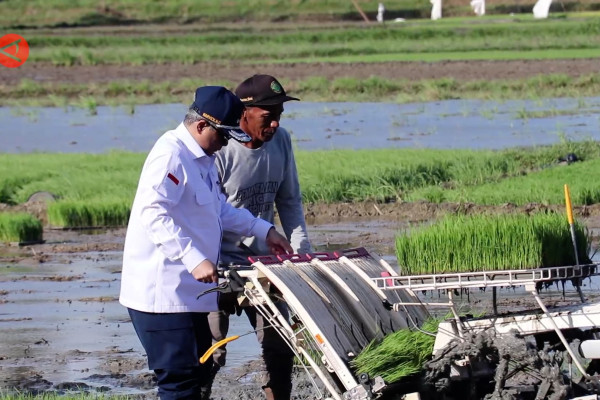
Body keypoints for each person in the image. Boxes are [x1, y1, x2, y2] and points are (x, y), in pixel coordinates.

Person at [119, 85, 293, 400]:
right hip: (163, 296)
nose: (227, 143)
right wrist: (193, 258)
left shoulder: (202, 158)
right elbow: (152, 213)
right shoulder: (170, 155)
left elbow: (219, 210)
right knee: (180, 382)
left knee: (197, 373)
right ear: (202, 125)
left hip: (189, 296)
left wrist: (264, 230)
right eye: (224, 135)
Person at [206, 75, 312, 400]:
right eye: (268, 116)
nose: (276, 123)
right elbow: (207, 215)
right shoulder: (220, 152)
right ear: (244, 114)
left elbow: (289, 201)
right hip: (217, 269)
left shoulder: (282, 142)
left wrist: (300, 256)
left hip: (264, 264)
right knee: (210, 355)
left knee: (279, 350)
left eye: (279, 114)